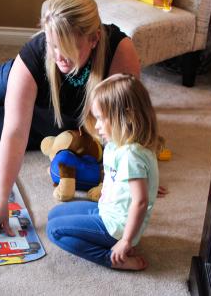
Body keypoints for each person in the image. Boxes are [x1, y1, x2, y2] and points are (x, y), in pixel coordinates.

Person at [0, 0, 141, 233]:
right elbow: (14, 133)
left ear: (94, 39)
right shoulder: (37, 54)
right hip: (25, 78)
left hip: (65, 116)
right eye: (53, 45)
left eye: (68, 47)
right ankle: (7, 85)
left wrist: (136, 173)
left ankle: (22, 105)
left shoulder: (120, 50)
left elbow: (127, 122)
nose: (59, 56)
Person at [47, 73, 160, 270]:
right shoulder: (117, 145)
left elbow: (140, 201)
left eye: (101, 119)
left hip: (115, 228)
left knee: (54, 230)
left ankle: (112, 258)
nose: (97, 125)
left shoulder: (130, 155)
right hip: (106, 211)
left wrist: (126, 240)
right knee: (54, 214)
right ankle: (118, 243)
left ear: (127, 116)